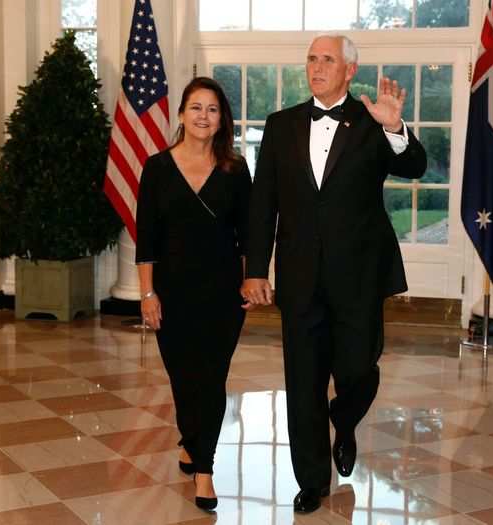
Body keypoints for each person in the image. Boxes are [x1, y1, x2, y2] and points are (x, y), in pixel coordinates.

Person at [241, 34, 427, 513]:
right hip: (301, 277)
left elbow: (415, 166)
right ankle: (311, 480)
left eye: (328, 60)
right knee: (302, 381)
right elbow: (263, 205)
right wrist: (256, 269)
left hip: (360, 275)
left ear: (349, 71)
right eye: (311, 59)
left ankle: (343, 423)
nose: (317, 67)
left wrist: (396, 128)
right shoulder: (281, 125)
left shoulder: (372, 122)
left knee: (358, 368)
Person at [135, 76, 252, 513]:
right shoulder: (156, 168)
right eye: (196, 108)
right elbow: (146, 238)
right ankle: (191, 442)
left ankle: (204, 467)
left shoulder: (235, 169)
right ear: (182, 114)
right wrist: (147, 294)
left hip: (223, 294)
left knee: (211, 379)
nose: (204, 116)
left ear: (223, 119)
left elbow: (250, 234)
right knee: (184, 379)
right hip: (173, 292)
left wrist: (250, 278)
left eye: (213, 109)